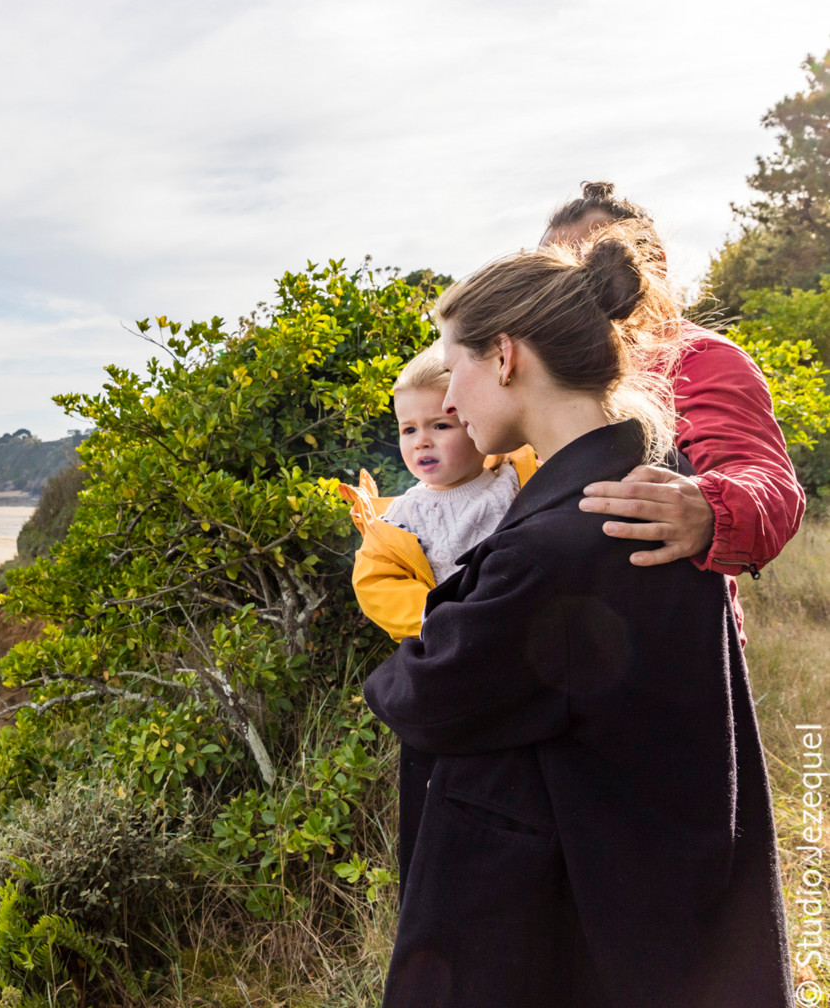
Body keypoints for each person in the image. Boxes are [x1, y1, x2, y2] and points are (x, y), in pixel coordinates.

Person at [363, 224, 790, 1006]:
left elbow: (421, 696)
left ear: (506, 355)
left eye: (454, 368)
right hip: (658, 916)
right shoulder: (660, 497)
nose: (448, 400)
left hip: (560, 937)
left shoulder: (562, 543)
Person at [545, 183, 803, 602]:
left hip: (675, 636)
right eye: (554, 271)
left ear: (654, 263)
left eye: (590, 260)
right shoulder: (546, 369)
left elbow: (767, 482)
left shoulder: (702, 357)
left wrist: (709, 509)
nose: (571, 286)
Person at [339, 344, 538, 640]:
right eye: (409, 430)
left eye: (441, 425)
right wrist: (439, 620)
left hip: (537, 623)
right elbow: (377, 583)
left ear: (474, 421)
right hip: (466, 642)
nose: (421, 441)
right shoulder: (399, 520)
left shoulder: (519, 476)